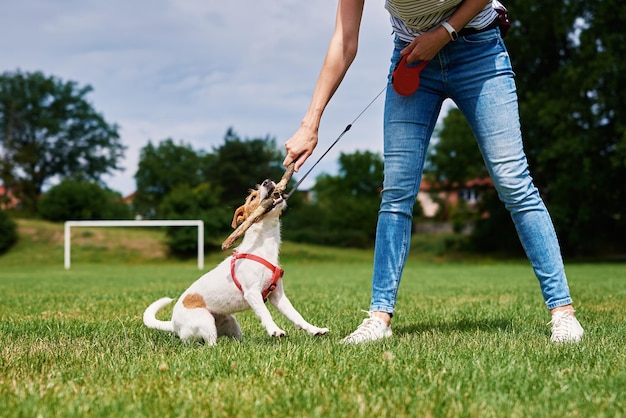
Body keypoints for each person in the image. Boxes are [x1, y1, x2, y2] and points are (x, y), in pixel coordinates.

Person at [282, 0, 584, 344]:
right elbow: (344, 40)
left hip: (478, 48)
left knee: (513, 181)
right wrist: (311, 122)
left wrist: (445, 32)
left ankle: (563, 313)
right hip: (412, 58)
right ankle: (378, 318)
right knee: (396, 192)